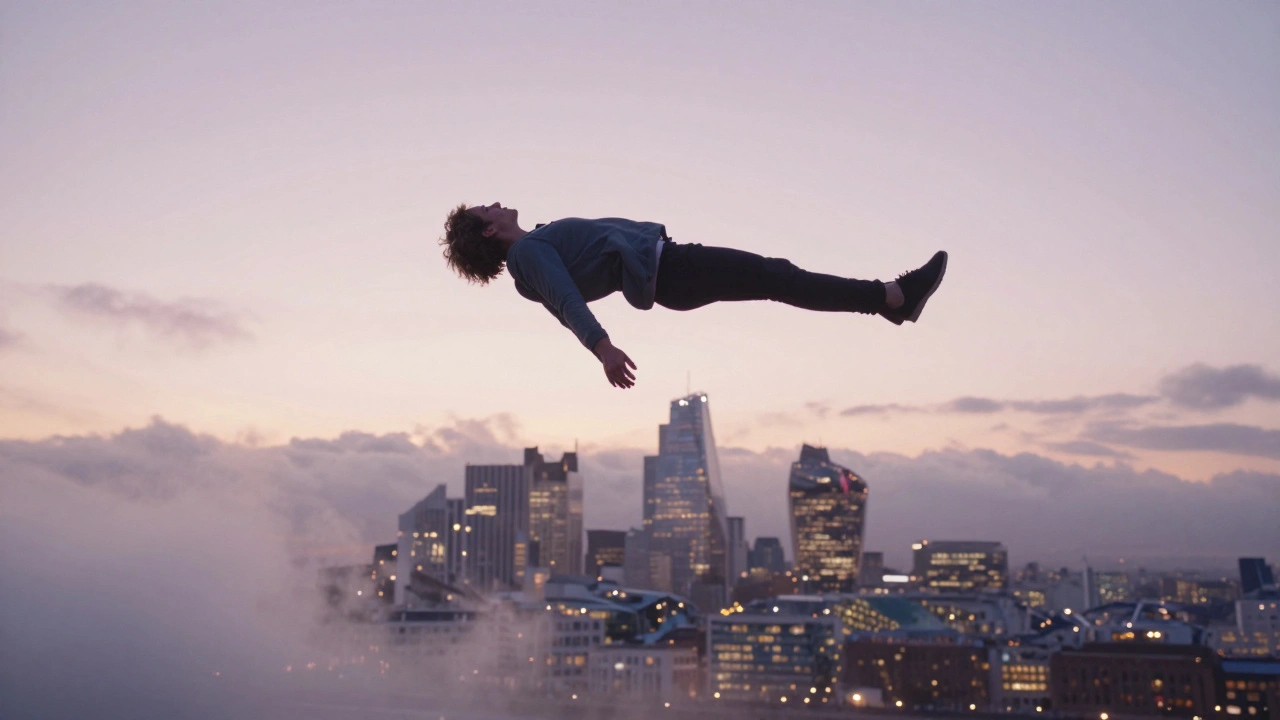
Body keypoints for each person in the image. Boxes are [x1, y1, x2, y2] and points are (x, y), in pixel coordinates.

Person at [440, 202, 947, 389]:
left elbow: (563, 298)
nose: (497, 203)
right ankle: (892, 298)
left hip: (670, 273)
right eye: (488, 210)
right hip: (672, 269)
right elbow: (570, 305)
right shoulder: (528, 253)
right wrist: (603, 348)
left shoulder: (533, 255)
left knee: (778, 279)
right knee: (780, 276)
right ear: (488, 232)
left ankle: (890, 300)